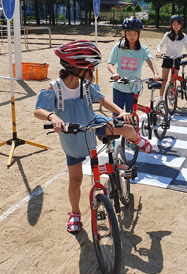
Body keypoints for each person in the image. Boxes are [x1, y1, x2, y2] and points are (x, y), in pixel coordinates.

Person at [34, 40, 153, 234]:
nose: (93, 72)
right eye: (91, 68)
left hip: (91, 123)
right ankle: (74, 214)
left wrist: (121, 112)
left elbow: (103, 100)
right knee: (75, 180)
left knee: (125, 127)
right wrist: (52, 116)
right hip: (73, 135)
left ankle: (138, 141)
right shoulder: (55, 88)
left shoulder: (85, 84)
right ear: (79, 69)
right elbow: (38, 110)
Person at [107, 17, 161, 114]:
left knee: (131, 116)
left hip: (134, 89)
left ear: (139, 34)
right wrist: (114, 73)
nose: (132, 36)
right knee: (116, 116)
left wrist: (156, 73)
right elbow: (110, 63)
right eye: (129, 34)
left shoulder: (143, 49)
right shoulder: (118, 47)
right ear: (125, 33)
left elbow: (150, 60)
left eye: (135, 34)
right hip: (119, 87)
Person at [156, 14, 187, 98]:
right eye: (174, 24)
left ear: (181, 25)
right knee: (164, 80)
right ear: (171, 25)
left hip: (177, 58)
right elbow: (160, 45)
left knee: (173, 79)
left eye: (178, 24)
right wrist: (159, 52)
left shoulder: (184, 36)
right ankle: (161, 99)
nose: (176, 26)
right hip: (167, 58)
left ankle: (172, 95)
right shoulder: (167, 35)